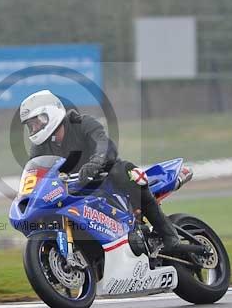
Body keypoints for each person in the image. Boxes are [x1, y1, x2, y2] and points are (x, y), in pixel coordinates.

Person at [19, 89, 185, 255]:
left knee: (127, 173)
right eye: (30, 125)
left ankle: (170, 237)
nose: (34, 128)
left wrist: (96, 162)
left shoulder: (82, 123)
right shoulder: (39, 148)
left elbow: (104, 144)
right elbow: (37, 172)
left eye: (37, 121)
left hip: (105, 175)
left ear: (51, 112)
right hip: (76, 188)